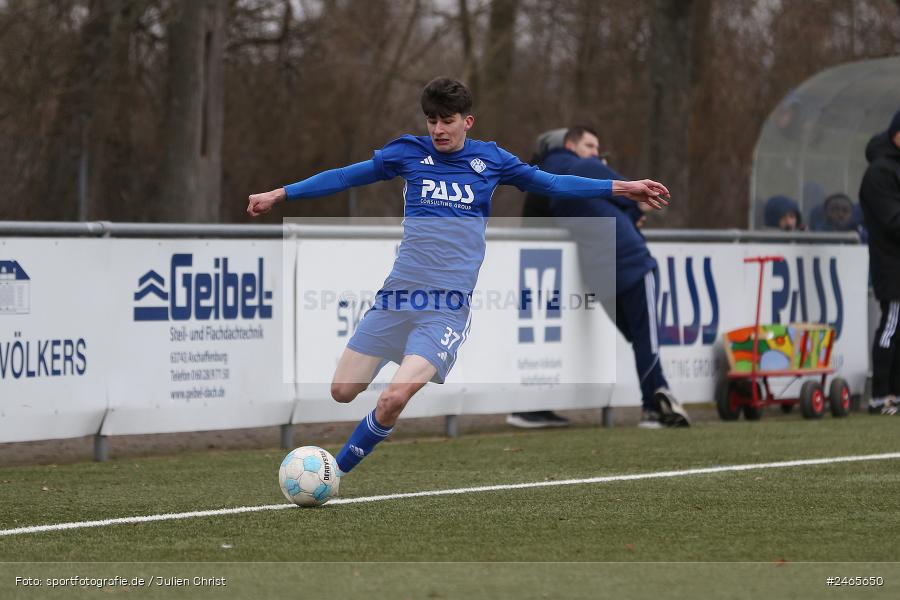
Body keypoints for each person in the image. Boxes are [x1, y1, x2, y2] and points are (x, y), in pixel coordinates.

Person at [247, 79, 671, 478]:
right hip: (397, 298)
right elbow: (343, 176)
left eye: (447, 120)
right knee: (342, 390)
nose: (438, 129)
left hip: (446, 308)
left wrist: (623, 187)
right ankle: (382, 383)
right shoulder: (407, 153)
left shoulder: (492, 160)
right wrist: (280, 194)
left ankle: (333, 473)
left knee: (393, 398)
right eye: (432, 120)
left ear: (467, 121)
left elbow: (555, 182)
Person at [509, 126, 690, 429]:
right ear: (570, 146)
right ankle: (654, 407)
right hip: (632, 262)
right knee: (646, 340)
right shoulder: (584, 168)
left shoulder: (547, 185)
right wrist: (635, 203)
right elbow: (632, 197)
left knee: (639, 339)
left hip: (599, 275)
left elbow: (596, 214)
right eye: (590, 146)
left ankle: (659, 399)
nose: (596, 155)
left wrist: (628, 209)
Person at [859, 110, 900, 415]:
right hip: (892, 265)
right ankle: (879, 396)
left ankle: (894, 395)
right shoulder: (879, 173)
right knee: (890, 325)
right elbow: (891, 221)